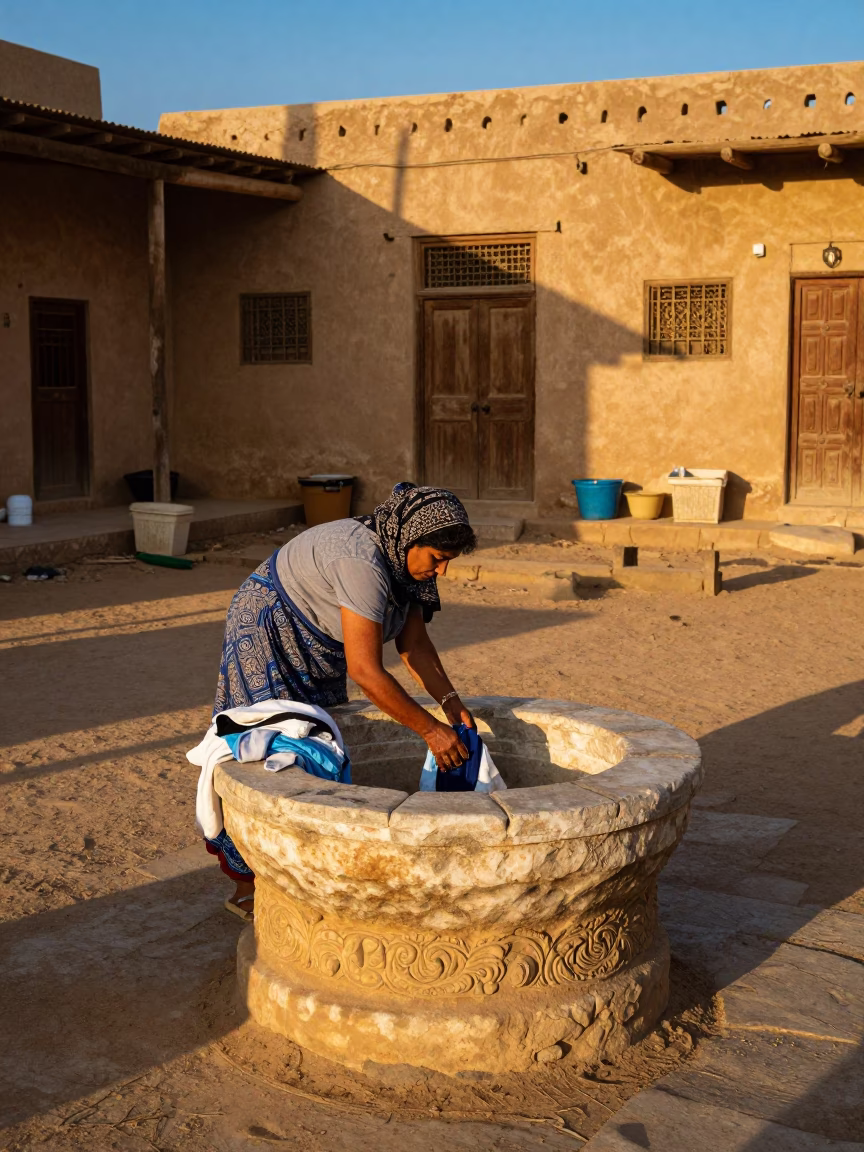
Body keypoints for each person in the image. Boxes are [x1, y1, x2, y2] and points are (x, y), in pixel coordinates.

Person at [208, 482, 478, 918]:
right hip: (269, 629)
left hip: (320, 639)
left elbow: (414, 645)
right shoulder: (362, 563)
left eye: (447, 562)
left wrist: (449, 702)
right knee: (266, 746)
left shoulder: (408, 567)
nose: (442, 572)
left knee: (318, 742)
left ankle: (306, 872)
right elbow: (366, 671)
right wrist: (429, 730)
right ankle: (249, 886)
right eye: (437, 559)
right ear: (411, 541)